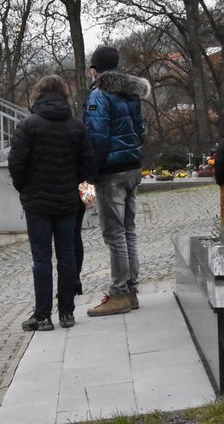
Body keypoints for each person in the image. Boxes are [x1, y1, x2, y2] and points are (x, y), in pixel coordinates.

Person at [6, 75, 94, 331]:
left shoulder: (28, 126)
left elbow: (16, 164)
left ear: (38, 94)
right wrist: (82, 195)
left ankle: (42, 315)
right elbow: (88, 166)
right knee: (66, 255)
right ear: (64, 95)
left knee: (41, 258)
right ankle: (67, 312)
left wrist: (25, 189)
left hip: (37, 203)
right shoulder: (77, 126)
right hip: (68, 201)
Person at [84, 46, 150, 317]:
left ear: (95, 69)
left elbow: (96, 137)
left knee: (114, 234)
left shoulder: (99, 95)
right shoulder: (132, 95)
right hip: (132, 167)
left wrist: (92, 172)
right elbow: (141, 130)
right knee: (129, 230)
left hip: (111, 171)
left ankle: (119, 292)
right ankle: (131, 289)